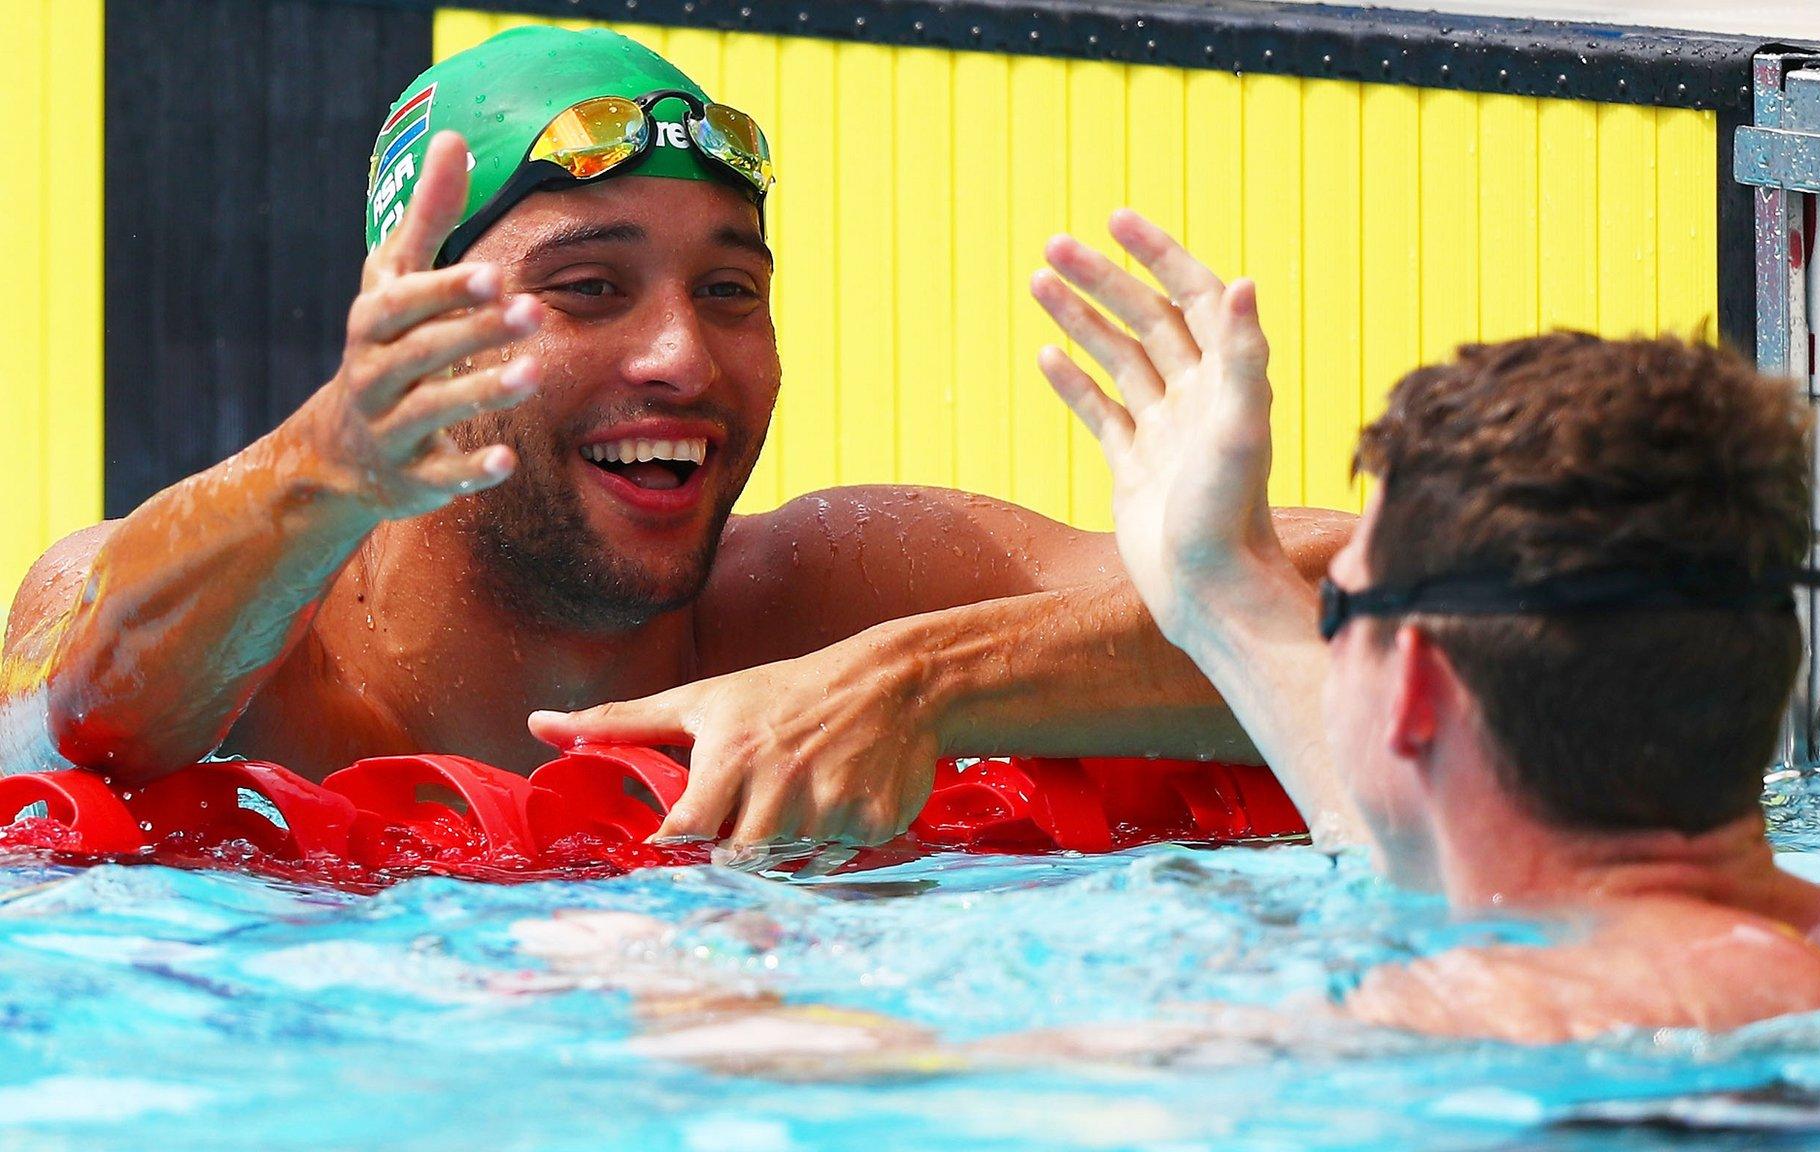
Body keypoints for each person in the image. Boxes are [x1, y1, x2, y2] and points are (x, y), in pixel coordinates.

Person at [0, 27, 1353, 851]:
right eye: (589, 288)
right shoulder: (262, 656)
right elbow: (94, 710)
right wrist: (318, 467)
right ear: (407, 326)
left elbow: (1442, 601)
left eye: (730, 292)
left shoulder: (841, 604)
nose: (681, 356)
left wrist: (925, 681)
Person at [1025, 210, 1820, 1039]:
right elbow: (1433, 832)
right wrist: (1216, 593)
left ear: (1416, 688)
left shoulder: (1485, 1021)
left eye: (1337, 609)